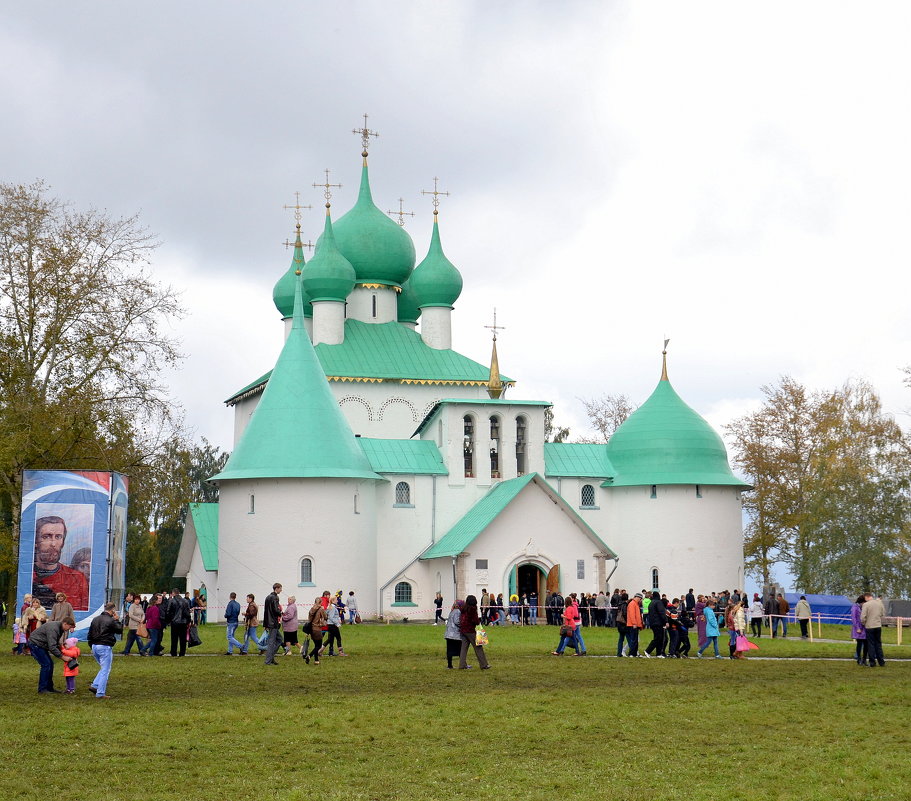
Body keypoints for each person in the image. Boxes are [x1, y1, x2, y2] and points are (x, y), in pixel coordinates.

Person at [31, 515, 89, 610]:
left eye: (58, 537)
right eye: (46, 537)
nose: (53, 544)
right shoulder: (26, 575)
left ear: (63, 542)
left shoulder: (77, 579)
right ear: (36, 541)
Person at [29, 615, 75, 693]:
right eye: (69, 627)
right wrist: (62, 657)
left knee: (50, 664)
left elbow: (55, 642)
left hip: (41, 645)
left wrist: (62, 650)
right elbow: (52, 646)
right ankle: (42, 689)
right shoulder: (54, 628)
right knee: (46, 665)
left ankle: (49, 688)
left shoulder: (59, 628)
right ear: (65, 624)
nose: (69, 629)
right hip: (35, 644)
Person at [88, 602, 122, 698]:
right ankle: (100, 693)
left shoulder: (95, 619)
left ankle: (95, 685)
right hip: (105, 646)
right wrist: (117, 620)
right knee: (105, 670)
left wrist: (91, 646)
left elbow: (89, 634)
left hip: (95, 645)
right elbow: (119, 630)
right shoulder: (110, 620)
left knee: (104, 668)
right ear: (113, 610)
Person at [458, 595, 490, 669]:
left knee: (464, 648)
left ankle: (462, 665)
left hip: (463, 630)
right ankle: (484, 664)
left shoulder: (463, 608)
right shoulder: (472, 609)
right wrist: (479, 622)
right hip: (470, 630)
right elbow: (475, 620)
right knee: (478, 647)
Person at [860, 592, 886, 668]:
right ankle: (881, 661)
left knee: (870, 644)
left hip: (869, 626)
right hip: (878, 626)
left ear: (867, 597)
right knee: (878, 644)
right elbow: (882, 613)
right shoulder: (879, 603)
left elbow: (863, 617)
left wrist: (864, 623)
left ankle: (872, 662)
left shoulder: (866, 605)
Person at [262, 583, 283, 665]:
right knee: (272, 642)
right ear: (276, 588)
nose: (281, 590)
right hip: (273, 623)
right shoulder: (275, 598)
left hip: (269, 622)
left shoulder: (268, 597)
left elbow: (266, 612)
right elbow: (275, 610)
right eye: (280, 588)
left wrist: (265, 624)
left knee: (280, 639)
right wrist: (281, 613)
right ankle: (268, 661)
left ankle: (271, 658)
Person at [167, 588, 191, 657]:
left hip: (174, 622)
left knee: (174, 639)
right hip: (183, 622)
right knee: (183, 639)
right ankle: (182, 653)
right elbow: (187, 612)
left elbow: (168, 612)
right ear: (179, 593)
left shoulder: (171, 601)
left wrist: (170, 620)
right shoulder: (185, 601)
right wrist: (188, 621)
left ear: (173, 593)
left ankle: (173, 652)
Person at [643, 591, 667, 658]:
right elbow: (661, 612)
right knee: (658, 638)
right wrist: (665, 621)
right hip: (658, 623)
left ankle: (658, 653)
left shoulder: (651, 603)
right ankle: (648, 651)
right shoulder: (658, 602)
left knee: (659, 638)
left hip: (653, 623)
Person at [305, 597, 327, 665]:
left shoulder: (311, 609)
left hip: (311, 629)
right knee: (319, 646)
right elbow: (325, 617)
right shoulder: (321, 609)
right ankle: (309, 656)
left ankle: (316, 660)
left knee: (316, 645)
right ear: (320, 602)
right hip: (317, 629)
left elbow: (309, 619)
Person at [444, 600, 463, 668]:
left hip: (449, 634)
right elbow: (457, 621)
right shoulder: (457, 611)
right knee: (460, 650)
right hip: (455, 634)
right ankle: (463, 664)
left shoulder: (452, 611)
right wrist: (463, 624)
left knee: (449, 651)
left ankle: (449, 665)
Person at [850, 594, 868, 666]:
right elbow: (854, 618)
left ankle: (864, 659)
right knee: (859, 644)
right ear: (861, 602)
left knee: (866, 644)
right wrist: (857, 628)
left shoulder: (863, 607)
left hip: (865, 628)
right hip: (858, 628)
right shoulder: (855, 607)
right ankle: (859, 659)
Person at [625, 593, 644, 657]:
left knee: (635, 640)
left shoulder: (634, 604)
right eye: (641, 599)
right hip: (633, 625)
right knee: (633, 640)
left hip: (635, 625)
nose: (641, 600)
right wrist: (634, 623)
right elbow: (632, 615)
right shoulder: (632, 604)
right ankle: (631, 653)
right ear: (638, 598)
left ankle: (634, 653)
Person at [614, 591, 628, 657]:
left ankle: (619, 652)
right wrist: (627, 621)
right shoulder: (625, 605)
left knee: (621, 639)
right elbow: (625, 614)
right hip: (624, 623)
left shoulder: (619, 604)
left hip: (619, 623)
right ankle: (633, 652)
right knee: (629, 638)